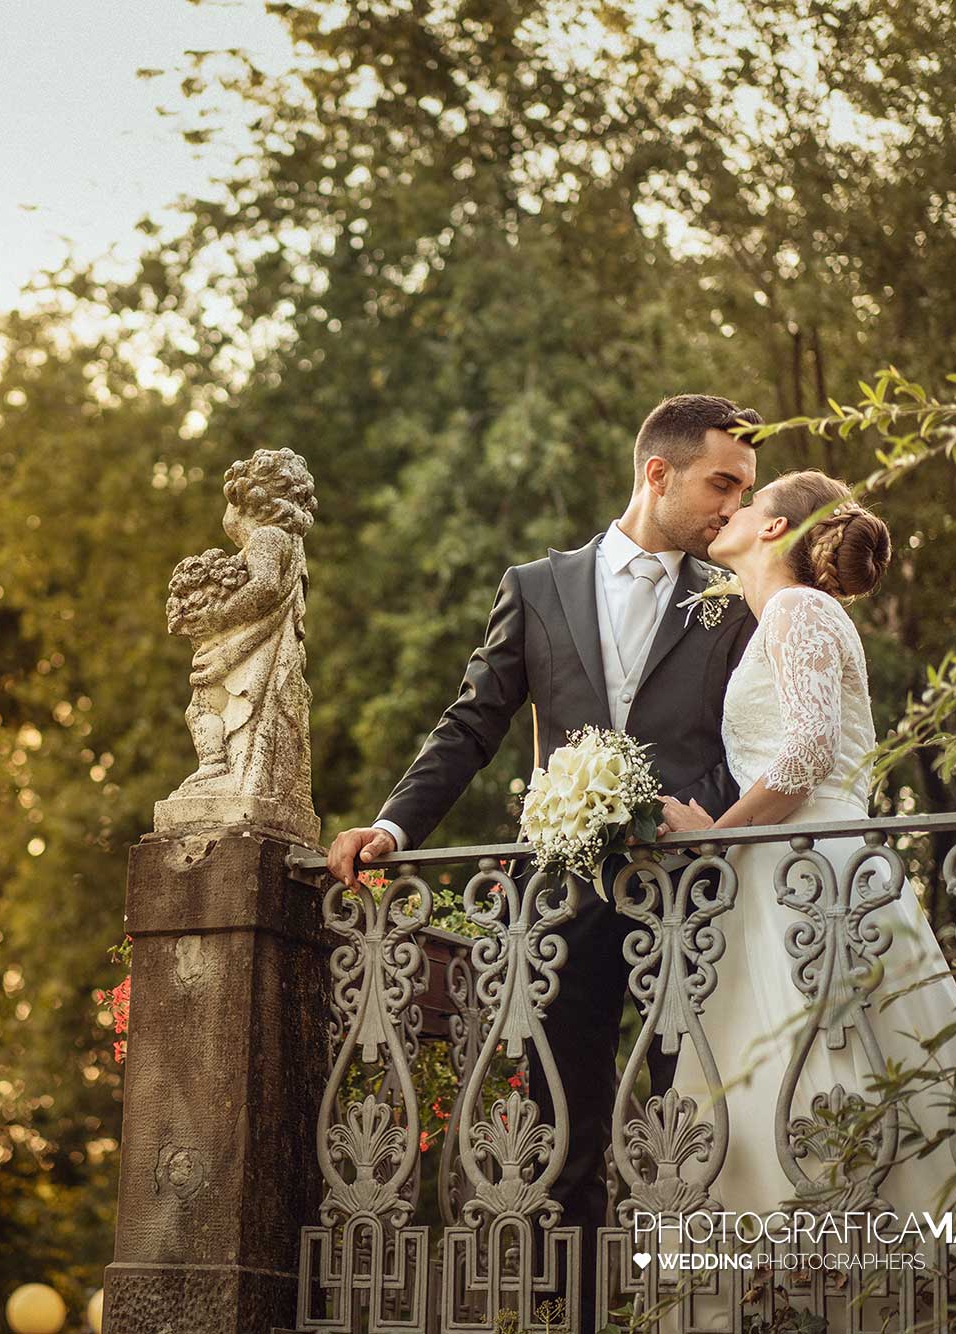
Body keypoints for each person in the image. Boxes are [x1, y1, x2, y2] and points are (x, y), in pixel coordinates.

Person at [326, 393, 764, 1324]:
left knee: (686, 1120)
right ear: (659, 472)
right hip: (560, 904)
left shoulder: (732, 599)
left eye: (745, 489)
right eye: (722, 482)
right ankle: (570, 1316)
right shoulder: (536, 585)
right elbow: (473, 722)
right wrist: (393, 829)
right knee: (564, 1131)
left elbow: (747, 743)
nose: (734, 506)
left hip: (690, 898)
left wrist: (710, 816)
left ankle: (683, 1315)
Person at [658, 469, 956, 1217]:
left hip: (817, 873)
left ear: (775, 527)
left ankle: (872, 1262)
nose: (732, 512)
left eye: (748, 503)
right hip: (787, 869)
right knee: (805, 1068)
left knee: (840, 1062)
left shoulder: (796, 609)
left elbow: (807, 754)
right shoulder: (785, 615)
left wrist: (710, 835)